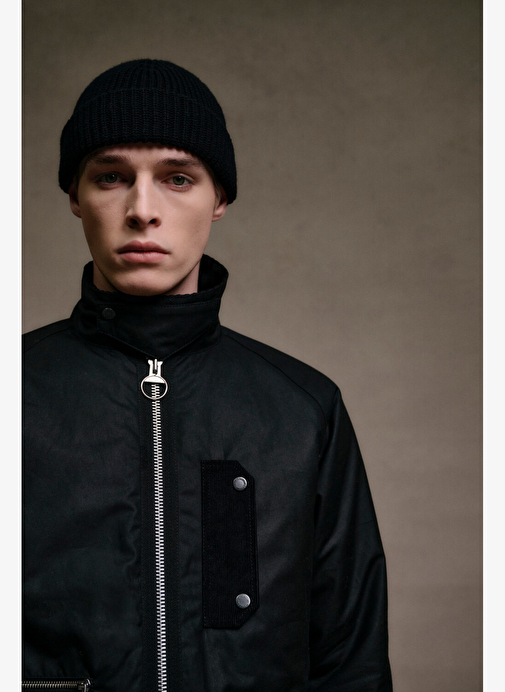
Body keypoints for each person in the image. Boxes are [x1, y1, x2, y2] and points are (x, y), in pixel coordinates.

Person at [23, 59, 393, 692]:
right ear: (75, 198)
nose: (143, 210)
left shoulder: (304, 409)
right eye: (110, 176)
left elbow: (351, 662)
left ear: (219, 199)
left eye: (177, 178)